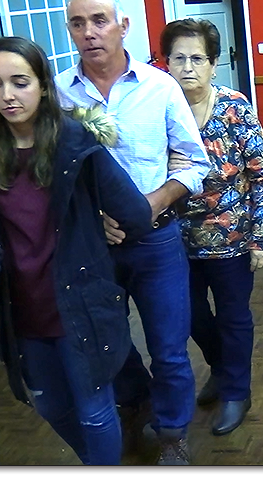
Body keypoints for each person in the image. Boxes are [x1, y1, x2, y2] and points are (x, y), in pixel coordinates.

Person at [55, 0, 211, 464]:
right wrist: (93, 218)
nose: (89, 32)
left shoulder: (160, 87)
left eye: (99, 20)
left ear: (123, 27)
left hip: (157, 239)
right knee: (109, 345)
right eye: (78, 24)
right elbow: (53, 174)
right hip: (91, 248)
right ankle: (134, 397)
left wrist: (150, 203)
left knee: (168, 346)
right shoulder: (58, 94)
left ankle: (171, 434)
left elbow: (194, 160)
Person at [0, 36, 152, 464]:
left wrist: (97, 226)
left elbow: (136, 213)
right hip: (24, 312)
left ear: (43, 86)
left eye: (19, 82)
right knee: (49, 405)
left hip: (79, 304)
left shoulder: (75, 142)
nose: (8, 96)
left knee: (94, 413)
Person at [161, 19, 263, 435]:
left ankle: (235, 392)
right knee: (189, 316)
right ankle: (221, 369)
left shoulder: (235, 107)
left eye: (198, 58)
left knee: (233, 318)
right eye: (179, 58)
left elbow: (262, 175)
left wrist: (261, 237)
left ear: (213, 64)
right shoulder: (158, 106)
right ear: (166, 62)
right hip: (174, 241)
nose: (188, 67)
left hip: (233, 239)